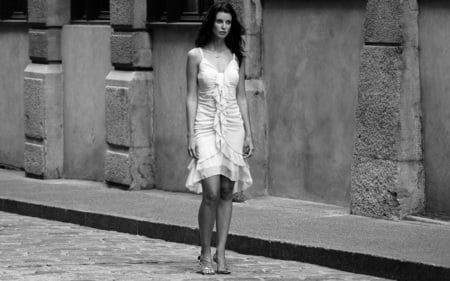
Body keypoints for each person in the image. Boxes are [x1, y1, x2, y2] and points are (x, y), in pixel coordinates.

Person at [185, 1, 254, 275]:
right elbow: (191, 96)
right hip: (204, 126)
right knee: (211, 192)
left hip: (233, 126)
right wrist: (189, 134)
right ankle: (204, 252)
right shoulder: (195, 56)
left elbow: (242, 97)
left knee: (227, 191)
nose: (223, 26)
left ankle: (221, 253)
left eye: (228, 22)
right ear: (211, 23)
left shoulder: (238, 57)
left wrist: (249, 132)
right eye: (219, 21)